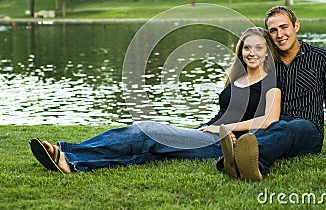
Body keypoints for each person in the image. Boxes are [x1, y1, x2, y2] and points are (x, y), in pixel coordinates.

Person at [29, 27, 282, 174]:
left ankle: (66, 152)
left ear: (267, 51)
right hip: (208, 133)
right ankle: (72, 164)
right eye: (247, 48)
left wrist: (224, 129)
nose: (252, 53)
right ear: (241, 50)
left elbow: (270, 120)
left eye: (259, 48)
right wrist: (213, 127)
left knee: (146, 131)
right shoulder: (235, 79)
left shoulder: (271, 83)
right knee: (147, 153)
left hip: (224, 143)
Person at [218, 6, 326, 181]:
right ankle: (236, 161)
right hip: (273, 125)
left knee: (284, 128)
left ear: (296, 26)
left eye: (284, 27)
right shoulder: (266, 60)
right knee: (271, 129)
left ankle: (250, 162)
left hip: (308, 128)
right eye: (273, 30)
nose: (280, 35)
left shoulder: (322, 57)